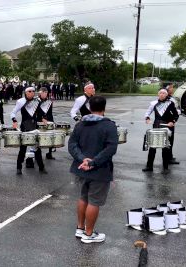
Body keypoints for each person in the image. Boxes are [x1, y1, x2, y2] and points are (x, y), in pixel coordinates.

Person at [68, 95, 118, 244]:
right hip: (99, 170)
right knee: (94, 201)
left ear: (89, 108)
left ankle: (80, 228)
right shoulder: (109, 125)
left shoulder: (80, 124)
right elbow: (111, 148)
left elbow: (72, 145)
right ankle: (89, 235)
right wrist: (93, 162)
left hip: (81, 168)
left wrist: (82, 158)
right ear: (104, 109)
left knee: (84, 198)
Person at [11, 87, 47, 175]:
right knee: (22, 149)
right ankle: (18, 168)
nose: (32, 93)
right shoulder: (20, 101)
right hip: (25, 127)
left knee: (37, 148)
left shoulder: (36, 101)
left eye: (33, 91)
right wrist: (14, 120)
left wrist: (44, 118)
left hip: (34, 126)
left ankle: (41, 168)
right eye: (30, 91)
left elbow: (40, 112)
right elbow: (13, 112)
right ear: (26, 93)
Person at [142, 89, 179, 174]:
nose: (162, 95)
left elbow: (176, 115)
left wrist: (172, 122)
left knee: (165, 148)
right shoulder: (153, 103)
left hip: (166, 127)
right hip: (156, 126)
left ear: (166, 95)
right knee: (152, 147)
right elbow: (148, 112)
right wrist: (147, 118)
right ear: (158, 95)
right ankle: (149, 166)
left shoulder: (170, 103)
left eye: (164, 93)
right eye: (160, 93)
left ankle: (165, 168)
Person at [36, 87, 56, 160]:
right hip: (39, 121)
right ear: (40, 93)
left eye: (46, 93)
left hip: (48, 120)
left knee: (51, 136)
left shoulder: (49, 102)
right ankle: (37, 154)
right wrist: (41, 119)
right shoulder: (36, 101)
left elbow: (50, 113)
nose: (45, 94)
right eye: (43, 92)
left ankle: (49, 153)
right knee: (38, 138)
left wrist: (51, 122)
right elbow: (35, 113)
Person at [166, 84, 180, 164]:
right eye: (171, 87)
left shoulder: (172, 98)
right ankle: (168, 158)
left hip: (172, 121)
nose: (173, 89)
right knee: (169, 140)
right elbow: (175, 110)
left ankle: (170, 156)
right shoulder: (168, 99)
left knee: (171, 140)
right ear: (167, 89)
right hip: (168, 121)